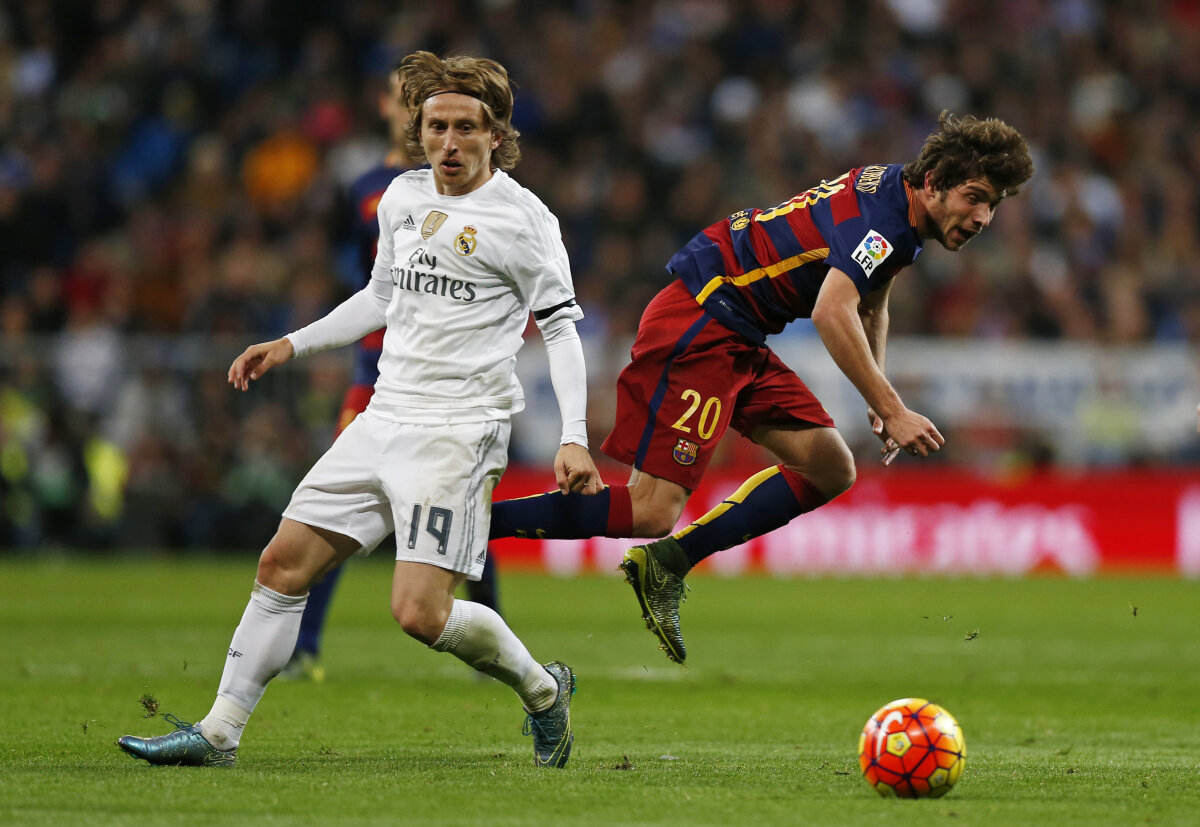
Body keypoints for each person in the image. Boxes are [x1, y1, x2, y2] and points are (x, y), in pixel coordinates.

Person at [118, 51, 603, 769]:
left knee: (419, 613)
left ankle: (542, 690)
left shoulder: (525, 221)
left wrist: (574, 436)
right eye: (436, 127)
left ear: (495, 135)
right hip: (384, 415)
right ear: (418, 131)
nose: (448, 142)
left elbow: (560, 330)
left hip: (457, 430)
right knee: (282, 564)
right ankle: (219, 733)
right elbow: (380, 297)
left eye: (465, 128)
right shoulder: (402, 198)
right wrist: (291, 344)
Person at [489, 111, 1034, 664]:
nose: (983, 217)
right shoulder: (885, 222)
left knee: (830, 466)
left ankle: (668, 563)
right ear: (936, 182)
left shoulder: (899, 198)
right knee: (650, 510)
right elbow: (832, 311)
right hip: (702, 320)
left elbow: (873, 300)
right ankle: (481, 524)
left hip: (739, 329)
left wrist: (879, 392)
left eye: (993, 204)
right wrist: (891, 409)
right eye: (974, 198)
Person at [281, 66, 505, 683]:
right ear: (387, 108)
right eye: (404, 100)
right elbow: (372, 282)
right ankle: (305, 645)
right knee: (338, 498)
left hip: (444, 373)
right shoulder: (367, 189)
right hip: (374, 367)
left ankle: (490, 626)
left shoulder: (471, 189)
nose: (413, 111)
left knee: (462, 505)